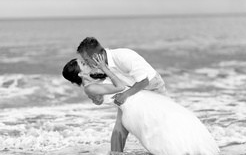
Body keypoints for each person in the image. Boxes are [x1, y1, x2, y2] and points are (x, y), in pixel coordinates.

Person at [62, 55, 220, 155]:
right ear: (80, 74)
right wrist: (105, 69)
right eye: (83, 63)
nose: (87, 62)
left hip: (139, 100)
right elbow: (120, 88)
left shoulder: (92, 82)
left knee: (169, 122)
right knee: (159, 129)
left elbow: (101, 98)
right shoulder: (90, 86)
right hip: (134, 106)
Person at [76, 37, 167, 152]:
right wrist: (97, 99)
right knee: (120, 126)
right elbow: (102, 86)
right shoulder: (100, 66)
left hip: (153, 87)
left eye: (86, 59)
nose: (87, 63)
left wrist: (124, 95)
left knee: (161, 125)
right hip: (131, 91)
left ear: (95, 56)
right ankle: (115, 153)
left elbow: (144, 82)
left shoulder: (124, 57)